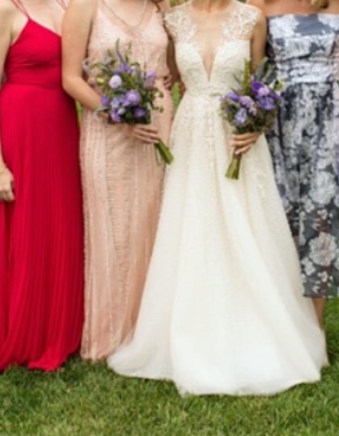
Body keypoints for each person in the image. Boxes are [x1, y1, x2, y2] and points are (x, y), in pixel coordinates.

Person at [108, 0, 326, 396]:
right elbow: (170, 77)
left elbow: (259, 84)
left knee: (247, 227)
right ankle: (189, 331)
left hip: (237, 139)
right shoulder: (173, 20)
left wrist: (257, 126)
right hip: (191, 134)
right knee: (192, 225)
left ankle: (260, 328)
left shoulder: (251, 18)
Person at [62, 0, 173, 361]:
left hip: (159, 128)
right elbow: (70, 78)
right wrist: (117, 114)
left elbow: (177, 64)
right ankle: (111, 334)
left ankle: (153, 330)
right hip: (108, 131)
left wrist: (169, 79)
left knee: (155, 224)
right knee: (113, 229)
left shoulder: (161, 7)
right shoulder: (85, 6)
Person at [0, 0, 84, 373]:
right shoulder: (5, 9)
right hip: (20, 132)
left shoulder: (67, 6)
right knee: (26, 232)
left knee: (61, 227)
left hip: (62, 129)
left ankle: (63, 326)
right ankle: (25, 330)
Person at [249, 0, 339, 329]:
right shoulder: (261, 5)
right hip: (279, 121)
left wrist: (324, 91)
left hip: (329, 119)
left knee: (323, 214)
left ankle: (314, 328)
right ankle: (280, 324)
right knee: (280, 213)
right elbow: (258, 72)